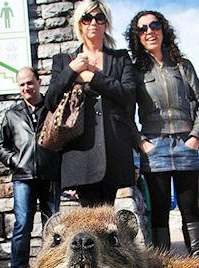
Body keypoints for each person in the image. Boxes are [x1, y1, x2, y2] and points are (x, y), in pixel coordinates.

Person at [125, 10, 199, 255]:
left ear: (164, 29)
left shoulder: (183, 66)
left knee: (190, 210)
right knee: (159, 211)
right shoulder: (135, 71)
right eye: (142, 29)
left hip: (185, 144)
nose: (149, 31)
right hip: (154, 147)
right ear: (137, 37)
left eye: (154, 25)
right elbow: (127, 114)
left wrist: (195, 137)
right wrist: (141, 143)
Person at [45, 0, 138, 207]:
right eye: (87, 18)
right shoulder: (64, 60)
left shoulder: (120, 58)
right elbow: (50, 101)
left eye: (99, 18)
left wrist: (90, 77)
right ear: (80, 24)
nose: (93, 23)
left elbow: (128, 95)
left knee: (108, 215)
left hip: (114, 145)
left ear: (106, 23)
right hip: (80, 149)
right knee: (89, 214)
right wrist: (71, 71)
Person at [0, 67, 61, 268]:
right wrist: (15, 161)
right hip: (23, 177)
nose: (26, 88)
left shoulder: (52, 108)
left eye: (30, 83)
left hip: (51, 175)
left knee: (52, 227)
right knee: (22, 226)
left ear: (38, 82)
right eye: (22, 84)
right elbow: (0, 145)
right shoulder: (11, 115)